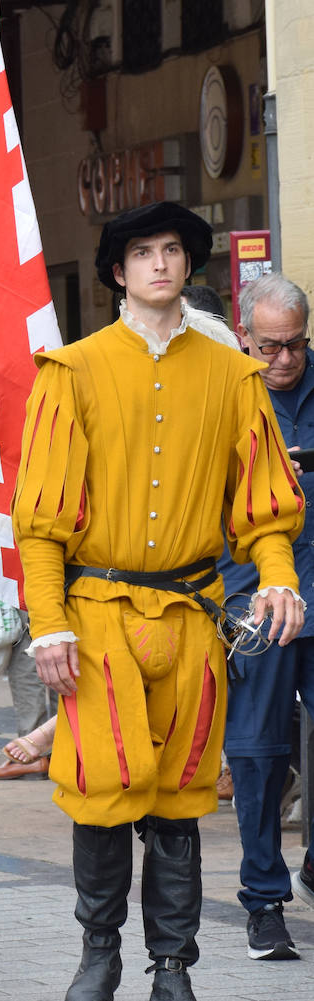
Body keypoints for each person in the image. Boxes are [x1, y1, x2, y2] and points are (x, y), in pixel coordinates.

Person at [13, 202, 304, 1001]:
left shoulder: (236, 376)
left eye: (173, 250)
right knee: (104, 795)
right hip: (98, 614)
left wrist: (278, 574)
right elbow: (39, 523)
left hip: (190, 617)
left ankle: (172, 966)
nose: (160, 264)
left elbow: (266, 509)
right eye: (143, 252)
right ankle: (97, 952)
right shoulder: (71, 371)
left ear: (188, 265)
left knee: (179, 800)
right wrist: (48, 623)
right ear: (118, 270)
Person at [217, 272, 314, 961]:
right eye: (271, 346)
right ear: (243, 332)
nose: (283, 360)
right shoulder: (221, 395)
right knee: (257, 755)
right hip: (254, 598)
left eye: (297, 346)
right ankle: (263, 901)